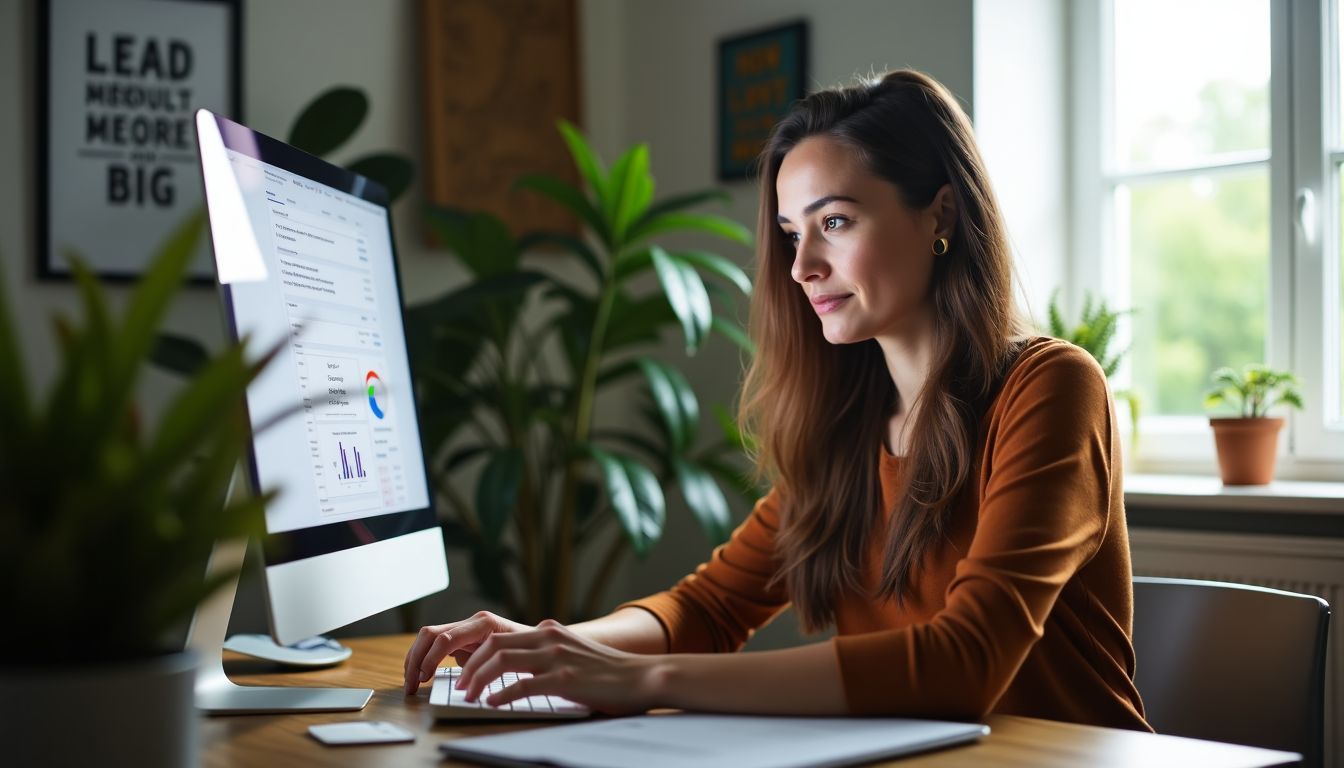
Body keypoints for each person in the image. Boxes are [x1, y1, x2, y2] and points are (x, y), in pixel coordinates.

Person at [403, 68, 1150, 731]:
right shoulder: (850, 427)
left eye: (835, 222)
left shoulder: (1051, 386)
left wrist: (645, 679)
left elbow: (965, 663)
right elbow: (709, 607)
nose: (802, 267)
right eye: (793, 234)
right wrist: (550, 646)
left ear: (941, 215)